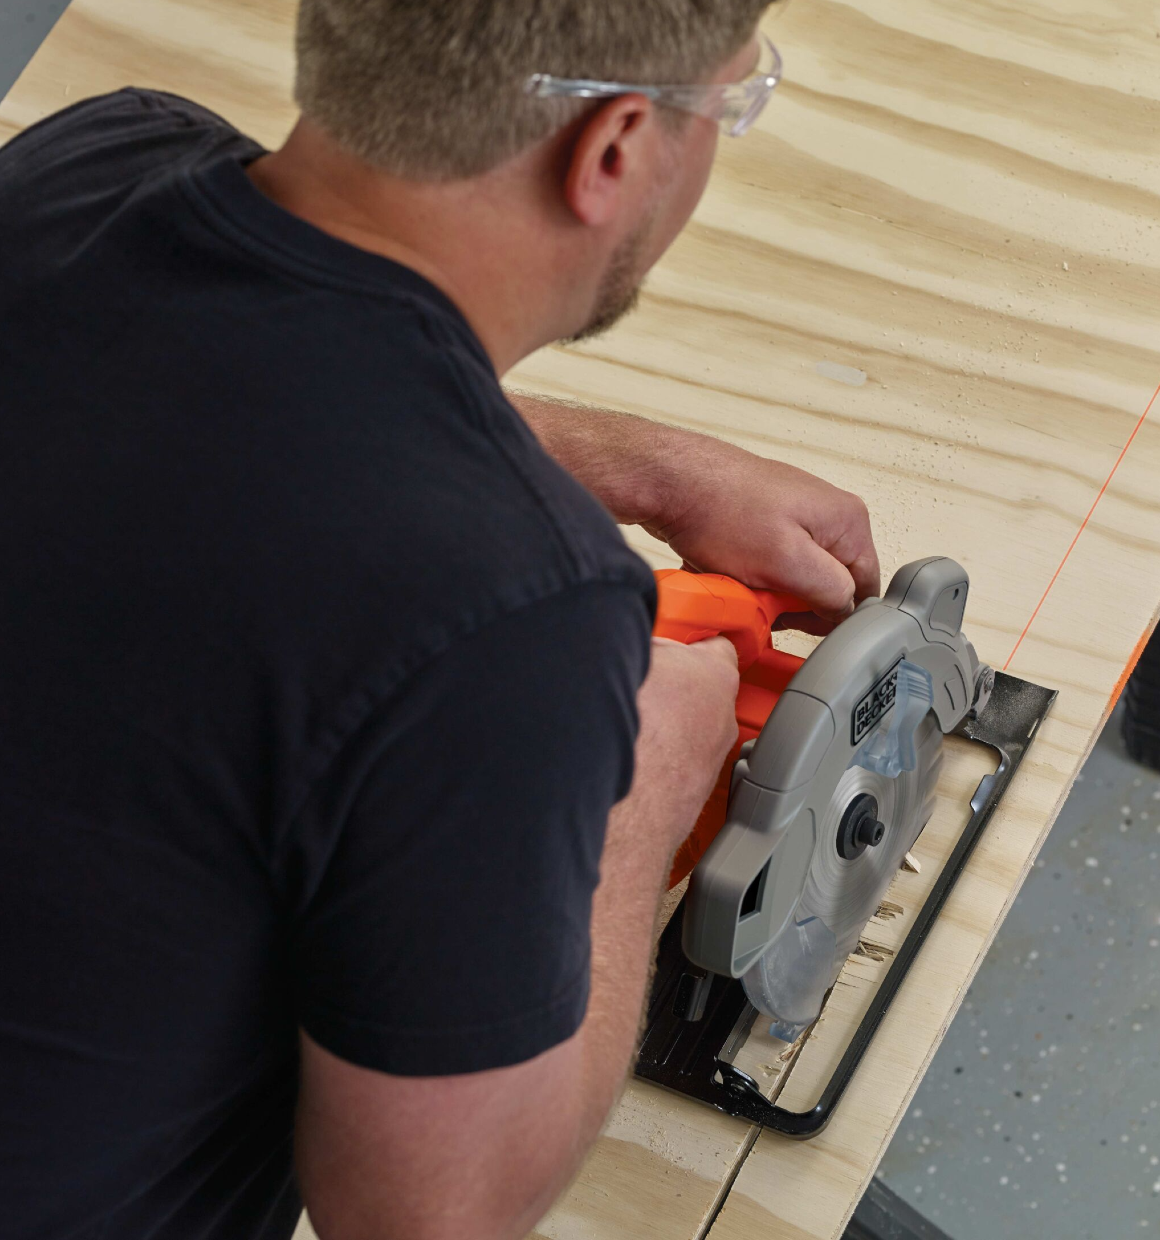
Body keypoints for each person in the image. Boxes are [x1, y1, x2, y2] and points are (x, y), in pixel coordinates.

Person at [0, 2, 878, 1237]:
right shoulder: (508, 620)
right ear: (614, 146)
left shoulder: (86, 168)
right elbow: (427, 1215)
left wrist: (622, 464)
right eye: (730, 103)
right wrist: (643, 799)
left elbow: (212, 383)